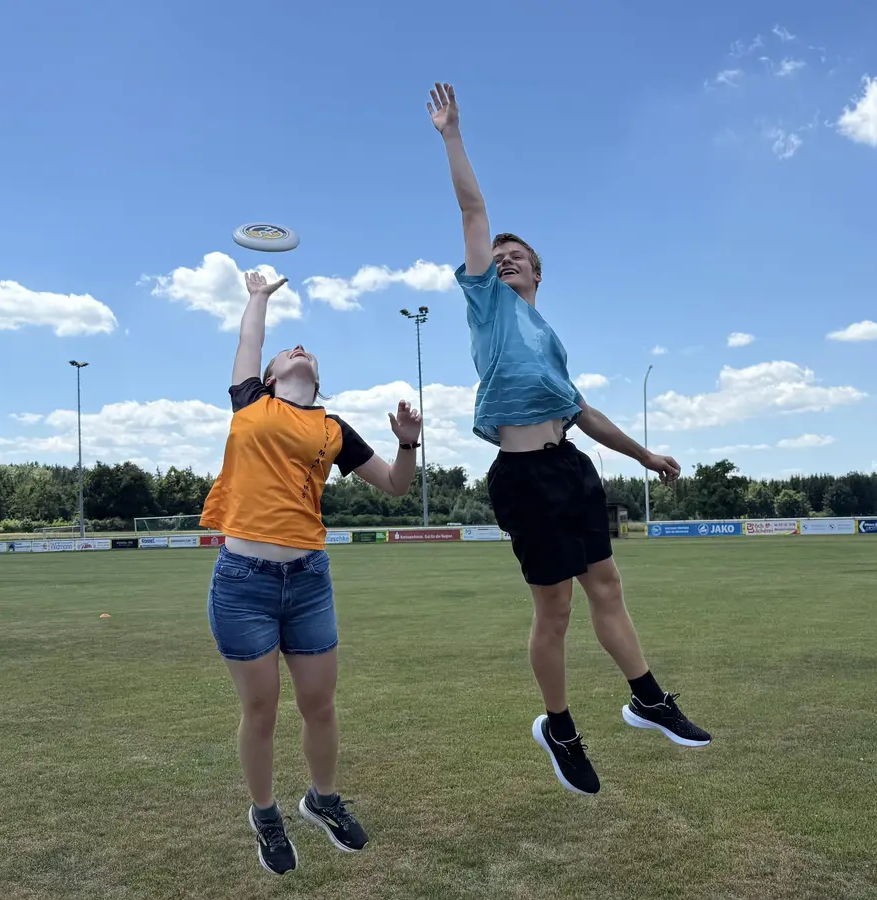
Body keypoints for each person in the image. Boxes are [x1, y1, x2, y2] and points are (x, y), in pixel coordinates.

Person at [425, 82, 712, 796]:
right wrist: (452, 135)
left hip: (572, 468)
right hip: (522, 476)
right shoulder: (487, 306)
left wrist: (644, 455)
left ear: (538, 272)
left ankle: (648, 700)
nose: (505, 258)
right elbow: (473, 211)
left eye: (517, 254)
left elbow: (581, 411)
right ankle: (559, 727)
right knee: (554, 609)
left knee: (607, 586)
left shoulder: (547, 337)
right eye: (498, 254)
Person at [198, 269, 424, 874]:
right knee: (262, 710)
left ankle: (323, 800)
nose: (297, 348)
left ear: (317, 379)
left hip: (309, 582)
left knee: (320, 705)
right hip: (243, 583)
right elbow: (249, 339)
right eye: (285, 351)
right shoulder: (252, 403)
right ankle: (265, 814)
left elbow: (396, 486)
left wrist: (407, 443)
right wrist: (257, 298)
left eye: (307, 352)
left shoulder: (333, 429)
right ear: (269, 377)